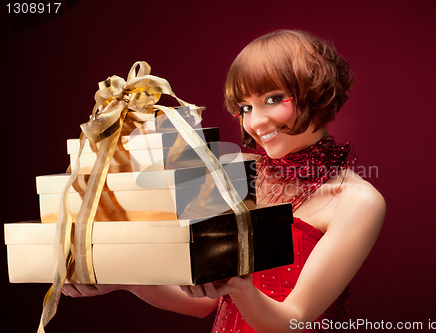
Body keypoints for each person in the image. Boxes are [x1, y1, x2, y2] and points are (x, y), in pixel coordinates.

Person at [63, 29, 385, 333]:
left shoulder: (357, 201)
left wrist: (239, 285)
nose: (255, 122)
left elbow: (294, 320)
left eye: (273, 99)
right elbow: (205, 302)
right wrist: (127, 280)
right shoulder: (233, 170)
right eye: (245, 107)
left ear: (318, 94)